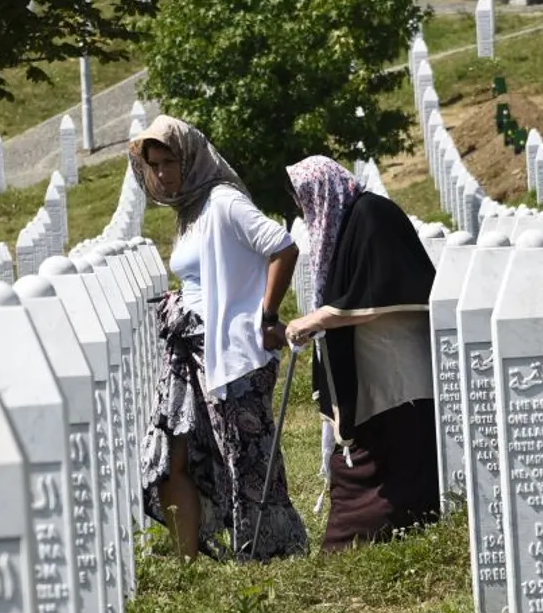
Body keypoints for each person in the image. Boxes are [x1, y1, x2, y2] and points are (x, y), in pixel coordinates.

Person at [128, 115, 308, 562]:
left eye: (170, 162)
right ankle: (187, 562)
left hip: (231, 352)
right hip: (187, 348)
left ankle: (270, 551)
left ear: (190, 158)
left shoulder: (223, 202)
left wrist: (267, 315)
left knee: (246, 458)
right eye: (155, 165)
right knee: (171, 452)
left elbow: (282, 247)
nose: (163, 173)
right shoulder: (190, 210)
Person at [283, 155, 441, 552]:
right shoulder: (349, 219)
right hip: (372, 360)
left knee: (398, 447)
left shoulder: (372, 215)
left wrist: (314, 319)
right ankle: (354, 534)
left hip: (396, 365)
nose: (306, 210)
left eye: (307, 199)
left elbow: (377, 290)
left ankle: (377, 529)